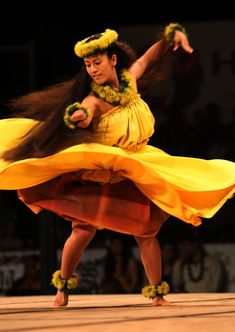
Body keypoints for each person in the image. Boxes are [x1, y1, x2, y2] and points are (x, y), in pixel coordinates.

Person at [0, 23, 234, 308]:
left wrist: (170, 37)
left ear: (113, 60)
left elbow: (147, 59)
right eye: (87, 65)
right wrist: (78, 116)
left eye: (97, 62)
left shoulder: (129, 81)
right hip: (103, 171)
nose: (93, 70)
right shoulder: (95, 98)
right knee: (83, 230)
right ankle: (62, 288)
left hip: (135, 165)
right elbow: (86, 110)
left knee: (146, 232)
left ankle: (157, 294)